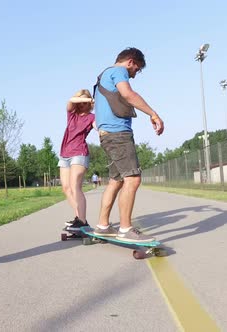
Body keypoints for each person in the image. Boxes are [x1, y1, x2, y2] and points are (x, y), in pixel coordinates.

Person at [93, 47, 164, 242]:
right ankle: (125, 229)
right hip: (118, 135)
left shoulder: (103, 76)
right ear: (131, 62)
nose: (134, 75)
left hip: (108, 134)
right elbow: (128, 94)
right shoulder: (118, 71)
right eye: (137, 70)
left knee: (116, 181)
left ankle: (103, 226)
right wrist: (153, 113)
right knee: (132, 179)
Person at [59, 89, 96, 231]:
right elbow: (70, 102)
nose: (81, 104)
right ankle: (79, 219)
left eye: (84, 102)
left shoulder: (92, 117)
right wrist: (81, 96)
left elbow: (97, 127)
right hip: (64, 154)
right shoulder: (72, 114)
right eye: (79, 102)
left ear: (90, 103)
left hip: (79, 153)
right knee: (66, 188)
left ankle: (82, 220)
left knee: (75, 187)